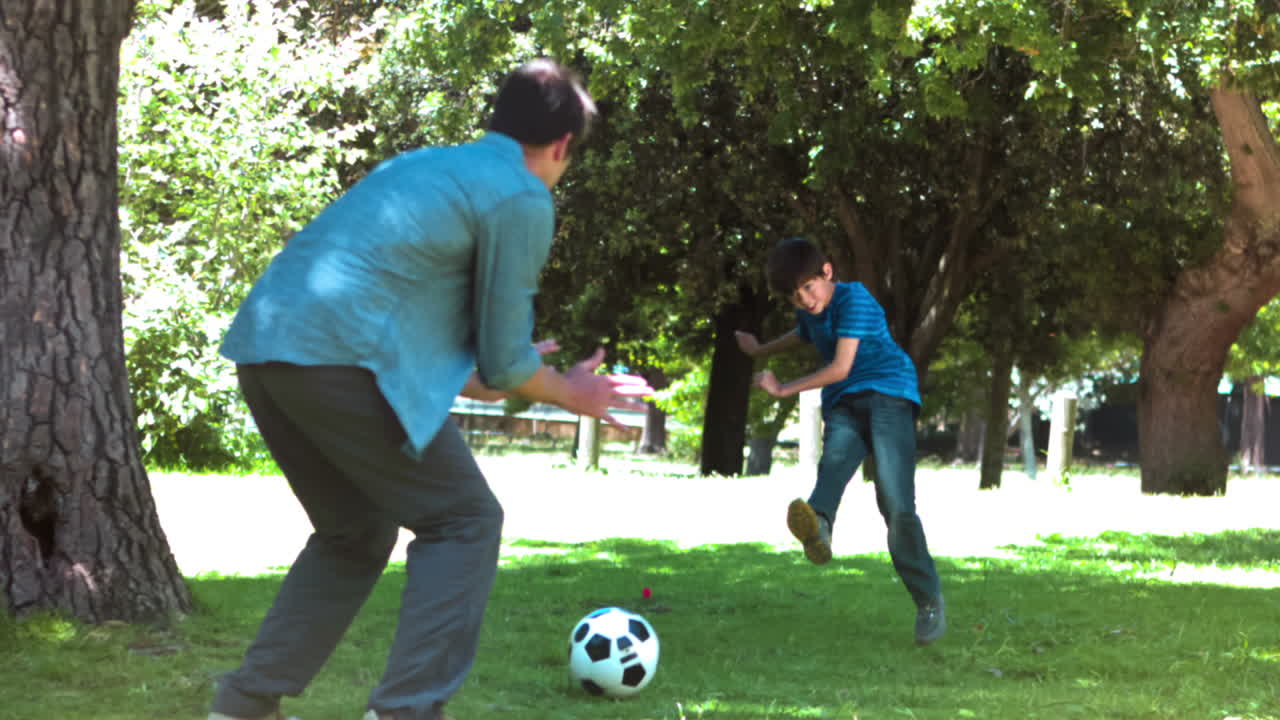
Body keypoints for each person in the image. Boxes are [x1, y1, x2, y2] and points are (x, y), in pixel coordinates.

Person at [207, 59, 653, 720]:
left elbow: (401, 303)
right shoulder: (522, 193)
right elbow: (506, 364)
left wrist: (485, 373)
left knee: (354, 531)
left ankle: (244, 706)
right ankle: (406, 712)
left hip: (266, 348)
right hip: (335, 359)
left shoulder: (423, 166)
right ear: (561, 146)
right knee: (466, 521)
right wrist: (572, 392)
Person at [735, 237, 945, 646]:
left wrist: (783, 389)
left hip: (889, 394)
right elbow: (802, 333)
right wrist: (760, 348)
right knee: (834, 462)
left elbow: (840, 366)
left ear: (827, 272)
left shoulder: (855, 300)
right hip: (846, 404)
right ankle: (821, 526)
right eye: (795, 296)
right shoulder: (812, 311)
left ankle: (929, 600)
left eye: (809, 288)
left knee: (896, 504)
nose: (806, 301)